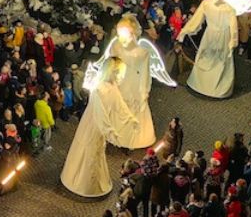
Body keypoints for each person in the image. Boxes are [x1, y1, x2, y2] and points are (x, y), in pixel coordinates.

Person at [85, 15, 176, 148]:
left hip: (133, 83)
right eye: (120, 32)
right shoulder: (116, 45)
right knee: (117, 107)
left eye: (125, 32)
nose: (122, 36)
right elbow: (109, 64)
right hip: (118, 81)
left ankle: (130, 139)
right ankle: (113, 135)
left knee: (132, 110)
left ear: (133, 33)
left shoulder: (142, 52)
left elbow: (145, 74)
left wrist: (144, 91)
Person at [60, 57, 140, 198]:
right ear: (112, 72)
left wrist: (130, 118)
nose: (121, 77)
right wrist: (109, 130)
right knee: (90, 149)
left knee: (97, 150)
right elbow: (100, 113)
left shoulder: (112, 87)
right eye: (119, 74)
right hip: (93, 124)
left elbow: (119, 105)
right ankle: (84, 183)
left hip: (102, 126)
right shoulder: (99, 90)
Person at [177, 0, 239, 99]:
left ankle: (218, 87)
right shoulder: (206, 4)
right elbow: (196, 20)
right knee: (206, 57)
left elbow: (234, 28)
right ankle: (202, 84)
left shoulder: (229, 9)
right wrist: (185, 31)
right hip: (210, 35)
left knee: (220, 61)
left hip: (222, 37)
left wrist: (232, 42)